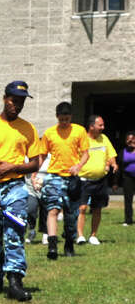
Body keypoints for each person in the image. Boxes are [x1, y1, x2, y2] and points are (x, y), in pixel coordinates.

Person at [0, 80, 46, 302]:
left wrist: (13, 167)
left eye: (21, 101)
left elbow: (36, 163)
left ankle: (15, 282)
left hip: (15, 187)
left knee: (15, 232)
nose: (17, 105)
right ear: (5, 98)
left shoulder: (28, 129)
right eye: (14, 100)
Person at [38, 102, 89, 259]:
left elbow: (86, 153)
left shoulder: (79, 131)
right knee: (52, 209)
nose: (64, 122)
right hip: (53, 176)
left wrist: (78, 166)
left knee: (71, 214)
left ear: (71, 117)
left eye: (67, 119)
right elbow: (42, 155)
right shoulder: (49, 133)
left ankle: (69, 243)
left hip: (72, 177)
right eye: (61, 120)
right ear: (57, 117)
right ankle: (52, 246)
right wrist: (36, 174)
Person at [76, 114, 117, 245]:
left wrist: (113, 164)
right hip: (83, 180)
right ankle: (80, 235)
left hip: (100, 180)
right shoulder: (82, 140)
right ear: (91, 126)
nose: (103, 127)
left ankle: (93, 235)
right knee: (82, 208)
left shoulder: (104, 139)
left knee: (97, 208)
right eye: (100, 125)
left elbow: (110, 154)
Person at [120, 131, 135, 227]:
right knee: (128, 199)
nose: (130, 141)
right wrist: (115, 182)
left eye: (133, 139)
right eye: (128, 140)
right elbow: (119, 166)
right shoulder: (123, 151)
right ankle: (128, 220)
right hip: (128, 177)